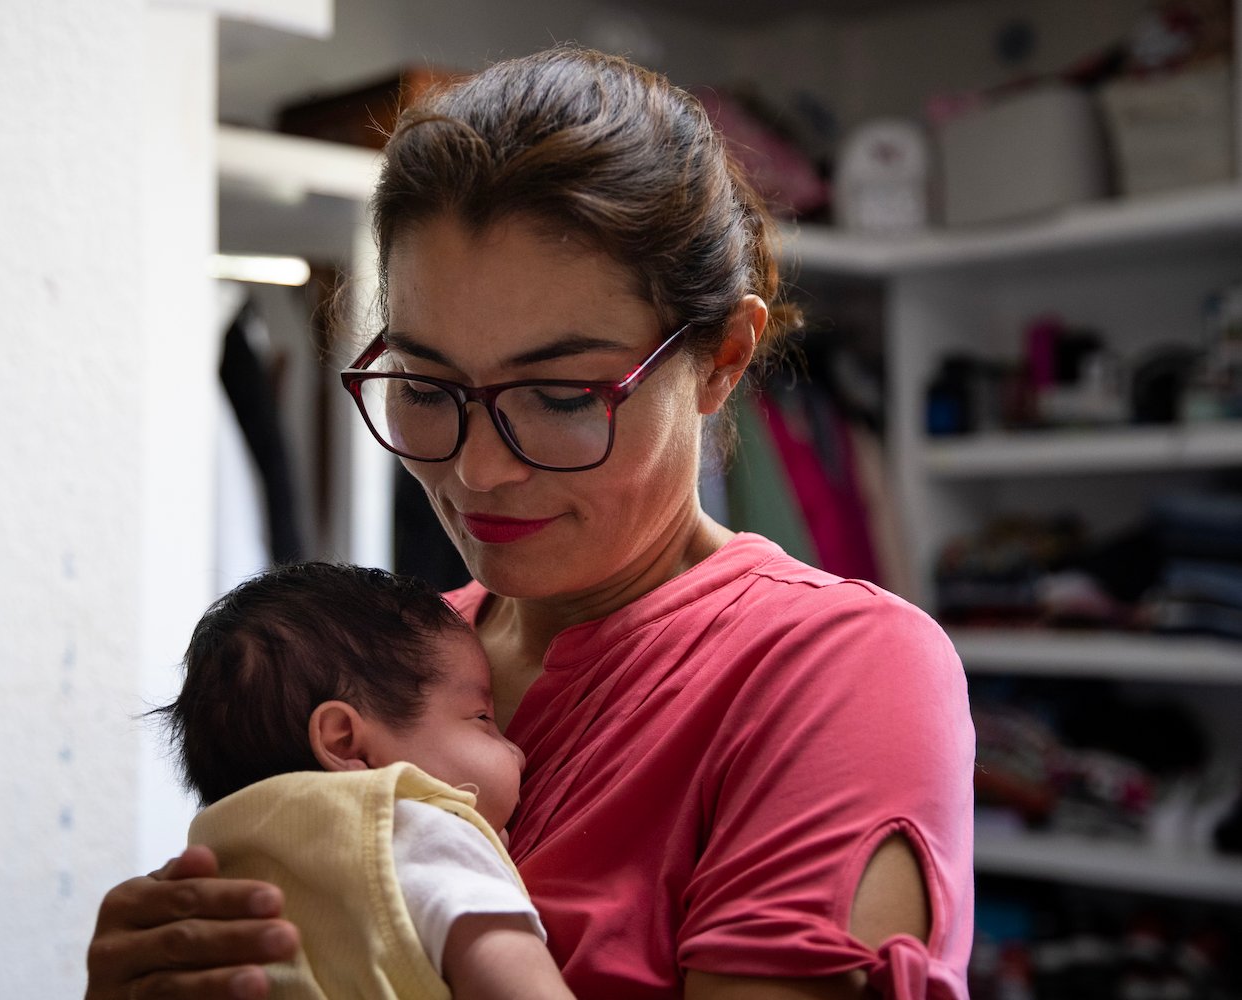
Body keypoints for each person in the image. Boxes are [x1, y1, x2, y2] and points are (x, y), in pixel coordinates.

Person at [87, 46, 975, 1000]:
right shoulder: (395, 659)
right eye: (426, 386)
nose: (477, 469)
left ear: (723, 357)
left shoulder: (830, 672)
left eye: (558, 394)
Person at [150, 560, 574, 1000]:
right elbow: (513, 976)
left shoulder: (224, 871)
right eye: (482, 718)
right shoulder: (418, 833)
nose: (517, 749)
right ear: (345, 742)